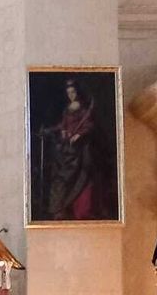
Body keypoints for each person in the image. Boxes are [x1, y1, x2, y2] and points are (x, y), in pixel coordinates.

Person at [36, 76, 114, 221]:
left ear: (77, 92)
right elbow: (63, 125)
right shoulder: (68, 109)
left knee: (82, 179)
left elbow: (89, 125)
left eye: (73, 92)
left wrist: (78, 134)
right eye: (69, 92)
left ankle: (82, 211)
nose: (71, 95)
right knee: (61, 179)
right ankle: (60, 209)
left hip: (81, 150)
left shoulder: (84, 110)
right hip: (67, 150)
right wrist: (55, 131)